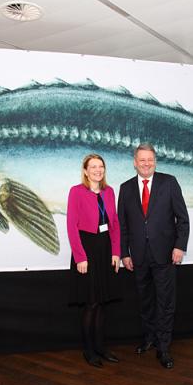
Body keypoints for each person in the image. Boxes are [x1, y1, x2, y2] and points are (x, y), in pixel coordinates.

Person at [117, 143, 189, 369]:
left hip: (165, 254)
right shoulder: (126, 188)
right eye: (142, 160)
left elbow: (183, 219)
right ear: (135, 162)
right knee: (145, 301)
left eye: (150, 160)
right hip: (138, 256)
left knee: (165, 302)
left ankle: (164, 347)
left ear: (155, 161)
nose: (146, 164)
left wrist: (179, 246)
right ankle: (149, 338)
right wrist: (123, 253)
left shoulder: (169, 183)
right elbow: (123, 225)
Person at [66, 153, 122, 368]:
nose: (98, 170)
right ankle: (89, 351)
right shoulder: (76, 192)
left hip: (105, 249)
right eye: (93, 167)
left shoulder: (109, 192)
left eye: (101, 167)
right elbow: (72, 227)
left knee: (102, 303)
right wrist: (80, 256)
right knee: (90, 303)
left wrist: (116, 253)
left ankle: (101, 347)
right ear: (86, 171)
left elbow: (114, 223)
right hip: (86, 249)